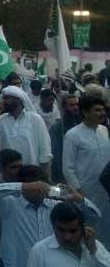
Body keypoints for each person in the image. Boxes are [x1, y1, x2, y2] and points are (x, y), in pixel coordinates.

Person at [0, 164, 100, 267]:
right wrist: (23, 186)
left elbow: (95, 217)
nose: (41, 194)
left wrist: (77, 198)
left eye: (43, 189)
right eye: (36, 190)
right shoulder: (9, 205)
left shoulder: (55, 206)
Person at [63, 95, 110, 247]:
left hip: (105, 192)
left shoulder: (104, 130)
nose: (102, 113)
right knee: (89, 231)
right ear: (85, 112)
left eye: (103, 110)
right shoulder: (73, 135)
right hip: (86, 193)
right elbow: (67, 167)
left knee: (106, 228)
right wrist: (79, 190)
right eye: (97, 110)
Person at [27, 202, 110, 266]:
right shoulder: (39, 252)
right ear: (53, 227)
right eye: (61, 230)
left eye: (73, 231)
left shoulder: (94, 245)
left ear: (82, 228)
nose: (67, 237)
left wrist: (94, 252)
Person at [0, 85, 52, 176]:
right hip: (6, 175)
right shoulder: (1, 119)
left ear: (18, 99)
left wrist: (45, 176)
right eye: (3, 99)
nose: (3, 101)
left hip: (30, 174)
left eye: (6, 98)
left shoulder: (35, 119)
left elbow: (45, 149)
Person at [49, 94, 81, 184]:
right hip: (65, 173)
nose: (76, 107)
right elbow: (56, 154)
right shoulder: (57, 127)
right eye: (71, 105)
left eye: (77, 104)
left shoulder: (82, 123)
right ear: (63, 108)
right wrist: (63, 176)